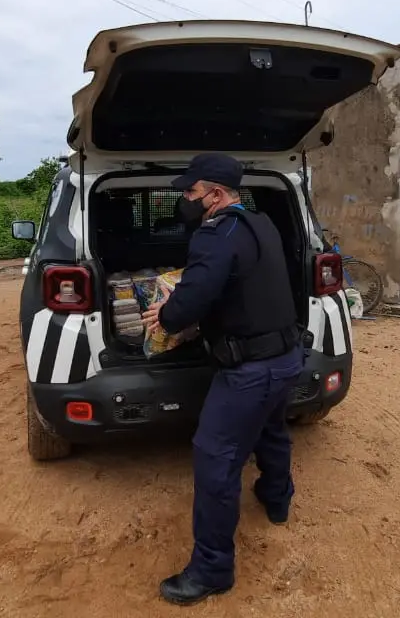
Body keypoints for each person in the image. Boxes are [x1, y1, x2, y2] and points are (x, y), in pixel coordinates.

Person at [141, 153, 302, 606]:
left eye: (190, 192)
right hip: (288, 357)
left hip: (249, 371)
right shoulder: (262, 223)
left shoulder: (214, 235)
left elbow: (192, 300)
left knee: (215, 458)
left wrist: (167, 315)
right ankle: (276, 498)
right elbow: (242, 283)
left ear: (214, 195)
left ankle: (212, 570)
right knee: (272, 431)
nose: (185, 201)